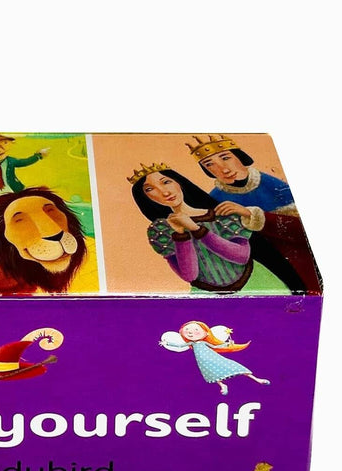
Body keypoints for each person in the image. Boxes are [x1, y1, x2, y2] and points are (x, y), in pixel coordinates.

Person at [187, 135, 319, 293]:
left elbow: (301, 232)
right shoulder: (215, 199)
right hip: (254, 269)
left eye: (226, 158)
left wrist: (250, 214)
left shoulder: (273, 185)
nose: (224, 169)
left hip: (295, 259)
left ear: (240, 157)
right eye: (209, 164)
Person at [129, 163, 288, 293]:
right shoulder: (161, 230)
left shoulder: (222, 213)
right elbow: (190, 275)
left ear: (179, 182)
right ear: (146, 197)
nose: (164, 192)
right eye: (149, 189)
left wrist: (196, 229)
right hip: (206, 293)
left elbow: (241, 256)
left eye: (166, 182)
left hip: (255, 281)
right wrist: (180, 235)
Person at [160, 321, 270, 396]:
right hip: (203, 362)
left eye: (195, 329)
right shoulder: (191, 344)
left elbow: (216, 346)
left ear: (206, 332)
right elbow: (180, 345)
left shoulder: (203, 342)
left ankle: (257, 379)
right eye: (187, 330)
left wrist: (227, 344)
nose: (190, 332)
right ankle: (222, 385)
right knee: (212, 373)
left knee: (233, 365)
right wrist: (167, 343)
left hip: (214, 358)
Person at [0, 134, 49, 202]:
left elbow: (23, 162)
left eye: (1, 145)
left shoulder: (9, 160)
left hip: (9, 189)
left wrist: (38, 156)